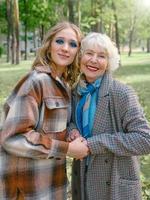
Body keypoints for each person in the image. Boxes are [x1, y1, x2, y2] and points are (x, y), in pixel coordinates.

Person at [0, 21, 89, 200]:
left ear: (77, 52)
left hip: (51, 185)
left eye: (72, 44)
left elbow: (50, 131)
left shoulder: (64, 85)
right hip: (25, 189)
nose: (65, 48)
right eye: (59, 41)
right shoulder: (35, 82)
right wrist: (68, 149)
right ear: (49, 46)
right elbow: (13, 138)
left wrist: (69, 134)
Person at [68, 32, 150, 200]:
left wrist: (95, 144)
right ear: (80, 57)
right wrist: (72, 131)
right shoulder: (76, 91)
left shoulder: (121, 93)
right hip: (83, 182)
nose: (94, 60)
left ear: (108, 62)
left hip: (114, 186)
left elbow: (145, 139)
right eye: (89, 53)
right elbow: (70, 121)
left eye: (101, 56)